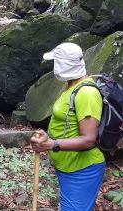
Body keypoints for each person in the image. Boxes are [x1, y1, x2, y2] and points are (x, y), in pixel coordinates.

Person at [30, 43, 105, 211]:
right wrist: (46, 135)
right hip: (68, 167)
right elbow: (67, 122)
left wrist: (50, 145)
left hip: (82, 171)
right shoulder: (72, 85)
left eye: (56, 62)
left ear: (63, 65)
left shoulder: (86, 93)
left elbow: (89, 140)